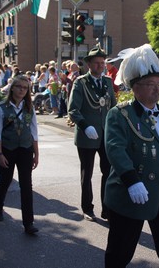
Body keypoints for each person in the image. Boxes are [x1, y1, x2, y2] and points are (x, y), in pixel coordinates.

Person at [104, 44, 159, 268]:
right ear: (135, 87)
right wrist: (131, 181)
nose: (156, 89)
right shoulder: (120, 114)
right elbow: (115, 148)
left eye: (158, 84)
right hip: (131, 194)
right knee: (120, 252)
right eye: (150, 84)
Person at [68, 47, 117, 221]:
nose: (100, 66)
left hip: (105, 135)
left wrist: (116, 129)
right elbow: (73, 109)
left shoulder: (108, 82)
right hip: (87, 135)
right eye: (97, 63)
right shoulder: (80, 83)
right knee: (86, 173)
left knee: (108, 171)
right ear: (89, 64)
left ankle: (107, 208)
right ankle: (87, 208)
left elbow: (112, 108)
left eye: (102, 63)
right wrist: (85, 126)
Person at [0, 75, 39, 234]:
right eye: (19, 87)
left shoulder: (29, 108)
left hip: (25, 149)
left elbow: (34, 132)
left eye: (25, 88)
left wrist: (36, 154)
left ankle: (28, 223)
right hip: (7, 149)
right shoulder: (1, 108)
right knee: (5, 180)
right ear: (12, 88)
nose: (22, 90)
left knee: (26, 185)